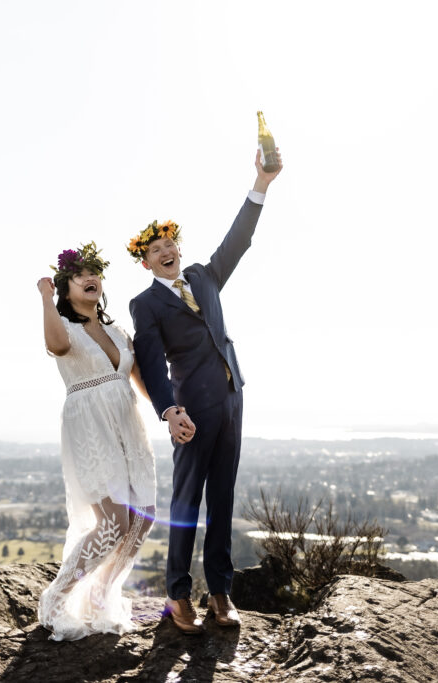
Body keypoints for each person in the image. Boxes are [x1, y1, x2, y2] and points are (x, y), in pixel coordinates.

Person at [128, 149, 283, 633]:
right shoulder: (145, 304)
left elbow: (239, 240)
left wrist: (261, 183)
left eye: (170, 242)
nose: (167, 249)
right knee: (186, 505)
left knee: (223, 499)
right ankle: (177, 596)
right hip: (191, 411)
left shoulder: (204, 275)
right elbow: (151, 365)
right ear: (145, 260)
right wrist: (169, 411)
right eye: (156, 248)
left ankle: (220, 592)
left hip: (233, 400)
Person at [35, 242, 157, 641]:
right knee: (113, 522)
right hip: (89, 425)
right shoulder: (63, 325)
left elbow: (141, 380)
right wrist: (45, 298)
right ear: (64, 286)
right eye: (78, 274)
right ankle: (57, 598)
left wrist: (175, 412)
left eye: (94, 273)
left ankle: (102, 594)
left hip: (128, 425)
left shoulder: (117, 331)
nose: (90, 278)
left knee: (144, 517)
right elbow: (55, 346)